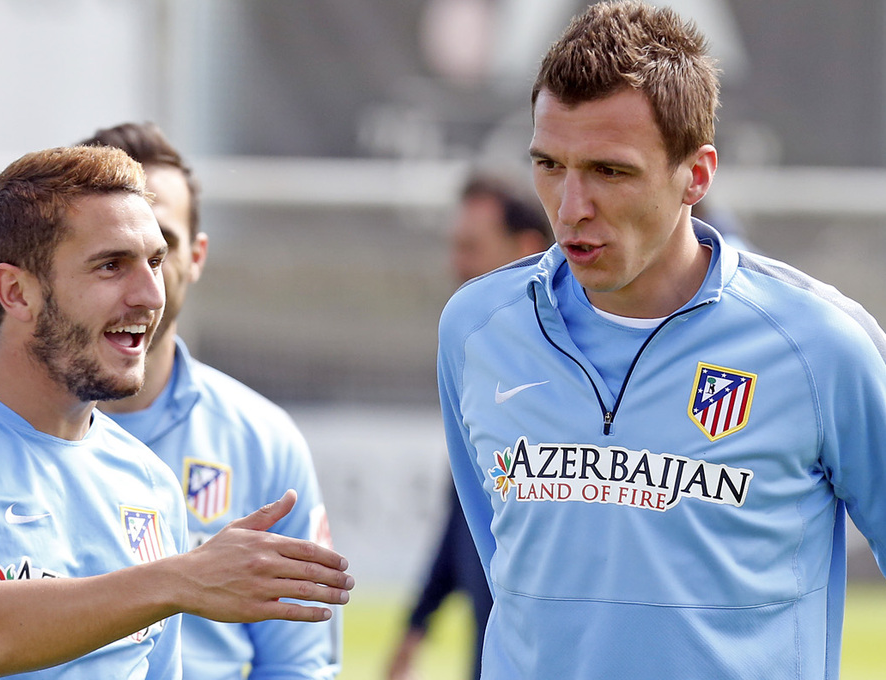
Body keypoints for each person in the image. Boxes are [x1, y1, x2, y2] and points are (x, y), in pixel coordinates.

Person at [437, 1, 886, 678]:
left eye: (610, 171)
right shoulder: (476, 328)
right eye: (550, 165)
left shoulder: (819, 345)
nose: (570, 206)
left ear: (697, 176)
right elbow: (507, 565)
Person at [0, 145, 354, 680]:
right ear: (17, 291)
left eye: (156, 262)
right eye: (111, 265)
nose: (150, 294)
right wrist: (179, 580)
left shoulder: (149, 483)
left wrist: (179, 580)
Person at [77, 122, 342, 679]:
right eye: (110, 255)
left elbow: (299, 664)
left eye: (160, 246)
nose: (140, 277)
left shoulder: (262, 440)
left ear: (196, 256)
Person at [387, 174, 552, 680]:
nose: (456, 264)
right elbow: (466, 512)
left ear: (525, 248)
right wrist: (418, 624)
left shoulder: (574, 373)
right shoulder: (482, 356)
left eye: (471, 247)